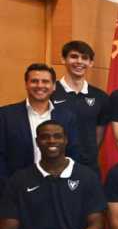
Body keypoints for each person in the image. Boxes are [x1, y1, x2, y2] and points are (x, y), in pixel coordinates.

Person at [0, 64, 82, 194]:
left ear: (54, 86)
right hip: (17, 191)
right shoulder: (5, 115)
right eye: (34, 81)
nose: (39, 86)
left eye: (45, 81)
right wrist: (8, 187)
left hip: (58, 190)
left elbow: (73, 154)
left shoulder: (68, 117)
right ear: (26, 84)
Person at [51, 41, 111, 176]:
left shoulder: (101, 97)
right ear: (63, 60)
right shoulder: (50, 92)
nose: (79, 62)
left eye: (84, 58)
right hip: (54, 163)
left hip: (88, 164)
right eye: (74, 57)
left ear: (91, 63)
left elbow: (98, 136)